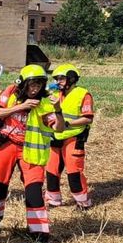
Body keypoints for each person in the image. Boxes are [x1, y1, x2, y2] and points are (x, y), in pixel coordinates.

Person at [0, 65, 57, 243]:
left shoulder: (44, 102)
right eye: (32, 85)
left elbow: (57, 127)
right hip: (6, 146)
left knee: (34, 193)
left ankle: (39, 234)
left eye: (39, 85)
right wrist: (21, 107)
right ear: (23, 84)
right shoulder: (9, 93)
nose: (35, 89)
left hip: (30, 151)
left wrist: (59, 112)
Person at [45, 63, 94, 209]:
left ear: (71, 79)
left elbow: (88, 118)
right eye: (56, 79)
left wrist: (67, 124)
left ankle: (83, 202)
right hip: (56, 137)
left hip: (74, 137)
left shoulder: (83, 94)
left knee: (74, 171)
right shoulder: (55, 94)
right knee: (51, 170)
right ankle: (54, 199)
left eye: (61, 79)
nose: (57, 82)